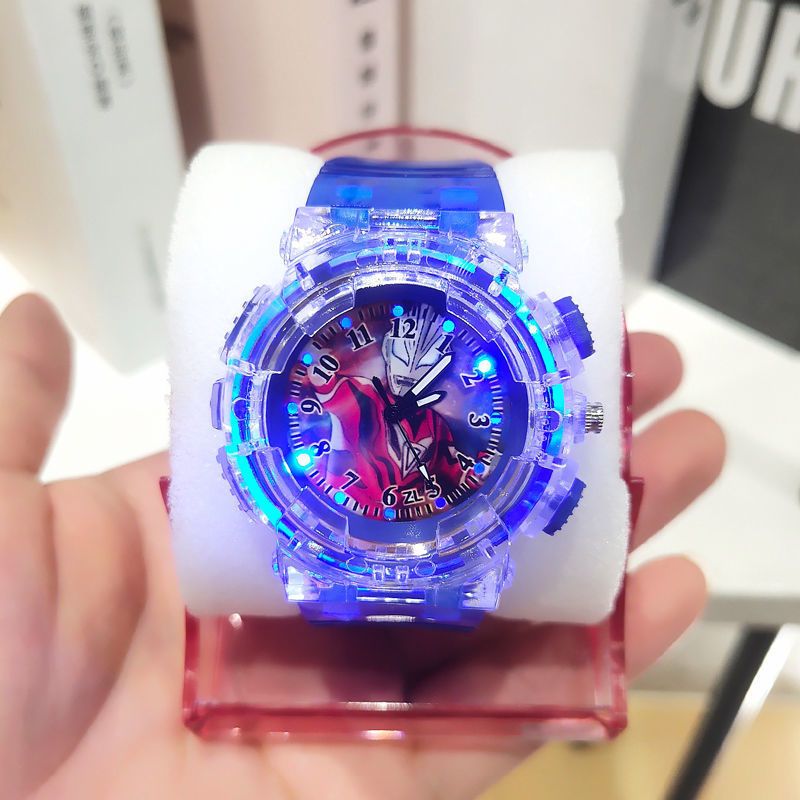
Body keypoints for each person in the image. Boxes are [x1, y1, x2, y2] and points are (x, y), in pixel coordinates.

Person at [0, 294, 725, 799]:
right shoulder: (346, 398)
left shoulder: (449, 426)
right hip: (339, 534)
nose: (412, 380)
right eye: (401, 361)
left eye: (433, 369)